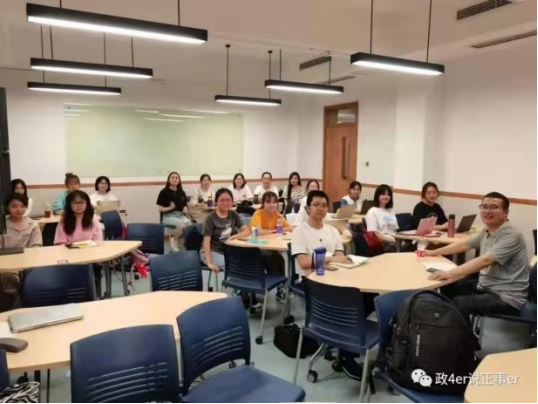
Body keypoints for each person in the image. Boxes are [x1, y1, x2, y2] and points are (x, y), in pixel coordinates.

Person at [292, 190, 365, 380]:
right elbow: (304, 263)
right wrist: (330, 259)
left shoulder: (332, 231)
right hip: (311, 281)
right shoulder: (299, 231)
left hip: (335, 277)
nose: (320, 208)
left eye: (324, 205)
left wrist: (332, 260)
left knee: (367, 297)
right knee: (350, 302)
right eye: (316, 204)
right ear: (308, 208)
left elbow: (341, 256)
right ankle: (346, 355)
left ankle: (347, 342)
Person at [428, 192, 530, 321]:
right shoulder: (487, 230)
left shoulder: (512, 235)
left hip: (506, 296)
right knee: (447, 285)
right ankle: (446, 325)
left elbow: (485, 260)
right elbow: (463, 245)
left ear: (505, 213)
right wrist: (433, 252)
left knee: (460, 303)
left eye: (493, 207)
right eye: (484, 206)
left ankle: (459, 332)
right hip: (487, 285)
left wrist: (449, 273)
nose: (488, 211)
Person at [0, 194, 42, 311]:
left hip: (29, 264)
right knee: (10, 280)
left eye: (22, 206)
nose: (19, 209)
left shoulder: (33, 224)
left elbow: (36, 246)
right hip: (7, 266)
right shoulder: (2, 224)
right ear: (7, 207)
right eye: (14, 206)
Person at [250, 192, 293, 301]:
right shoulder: (258, 214)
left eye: (274, 202)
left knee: (280, 260)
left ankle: (281, 288)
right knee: (275, 258)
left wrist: (277, 227)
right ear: (263, 203)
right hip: (258, 247)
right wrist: (275, 230)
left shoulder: (276, 214)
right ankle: (279, 286)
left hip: (272, 246)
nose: (272, 205)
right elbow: (258, 232)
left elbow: (289, 228)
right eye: (268, 202)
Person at [202, 188, 250, 273]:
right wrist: (209, 262)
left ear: (232, 201)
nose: (225, 203)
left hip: (229, 250)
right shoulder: (210, 218)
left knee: (249, 262)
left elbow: (246, 231)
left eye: (228, 200)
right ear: (216, 202)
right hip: (213, 251)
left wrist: (233, 237)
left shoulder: (233, 214)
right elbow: (206, 242)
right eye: (222, 200)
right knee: (232, 267)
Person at [157, 172, 192, 251]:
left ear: (179, 180)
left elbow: (185, 206)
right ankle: (174, 239)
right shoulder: (164, 192)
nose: (174, 179)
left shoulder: (182, 192)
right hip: (168, 216)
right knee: (182, 226)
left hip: (180, 216)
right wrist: (170, 208)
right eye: (172, 177)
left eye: (176, 178)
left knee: (190, 226)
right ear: (169, 180)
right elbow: (160, 209)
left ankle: (185, 245)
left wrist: (186, 209)